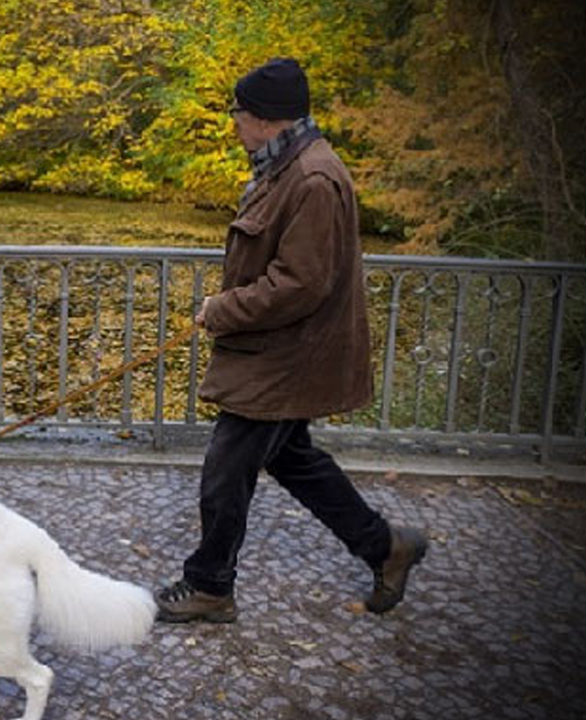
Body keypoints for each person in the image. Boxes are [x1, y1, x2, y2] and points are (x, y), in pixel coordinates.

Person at [155, 58, 427, 623]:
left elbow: (299, 284)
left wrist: (220, 309)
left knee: (227, 469)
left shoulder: (313, 180)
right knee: (295, 461)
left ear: (267, 119)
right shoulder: (289, 166)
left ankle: (210, 586)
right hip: (279, 353)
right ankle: (386, 546)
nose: (234, 123)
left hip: (287, 358)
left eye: (239, 113)